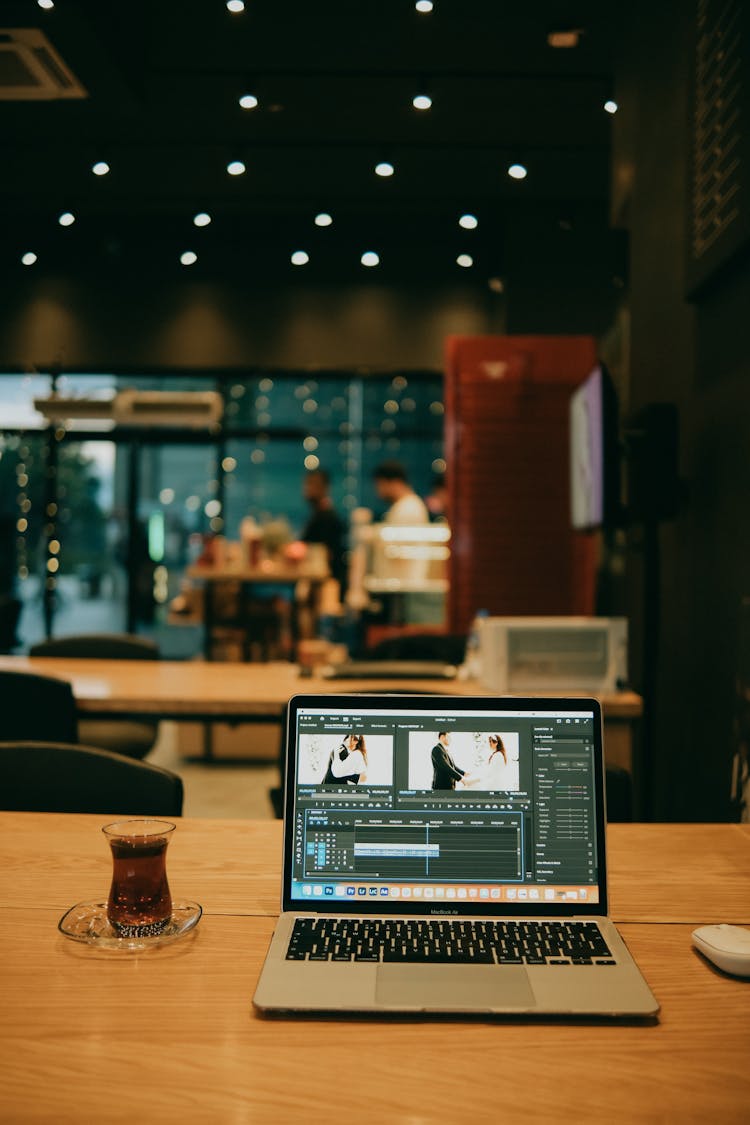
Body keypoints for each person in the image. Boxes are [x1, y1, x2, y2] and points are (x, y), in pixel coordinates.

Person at [300, 469, 347, 592]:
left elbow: (328, 553)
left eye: (311, 484)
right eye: (307, 484)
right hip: (321, 577)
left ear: (325, 488)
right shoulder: (320, 514)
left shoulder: (327, 517)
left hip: (326, 580)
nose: (307, 489)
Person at [372, 461, 429, 526]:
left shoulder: (407, 509)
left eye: (380, 485)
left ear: (395, 482)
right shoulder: (407, 504)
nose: (378, 491)